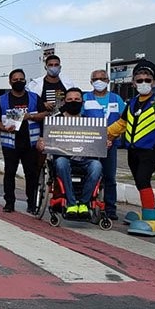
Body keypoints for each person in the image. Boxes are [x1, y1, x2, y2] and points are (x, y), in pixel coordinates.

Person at [107, 60, 155, 236]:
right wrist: (104, 135)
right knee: (138, 180)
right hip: (132, 150)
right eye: (139, 80)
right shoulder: (131, 103)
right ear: (133, 82)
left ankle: (151, 217)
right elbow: (121, 124)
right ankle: (151, 208)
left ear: (153, 82)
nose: (143, 82)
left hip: (151, 149)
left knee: (143, 179)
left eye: (148, 79)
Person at [37, 87, 103, 219]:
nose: (73, 102)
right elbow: (41, 141)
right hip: (63, 159)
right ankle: (72, 203)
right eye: (70, 99)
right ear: (64, 102)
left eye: (77, 99)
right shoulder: (54, 121)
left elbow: (98, 140)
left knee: (97, 166)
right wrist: (41, 144)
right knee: (61, 162)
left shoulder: (89, 122)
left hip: (85, 160)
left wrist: (103, 143)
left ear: (82, 102)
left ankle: (84, 203)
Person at [0, 68, 47, 214]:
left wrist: (32, 117)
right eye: (15, 80)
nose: (18, 82)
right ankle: (9, 203)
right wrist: (3, 128)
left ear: (25, 80)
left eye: (21, 79)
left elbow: (45, 114)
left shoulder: (34, 98)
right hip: (10, 143)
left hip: (31, 143)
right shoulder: (3, 100)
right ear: (10, 82)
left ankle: (31, 203)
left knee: (31, 174)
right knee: (9, 173)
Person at [82, 69, 125, 220]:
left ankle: (110, 208)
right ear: (91, 82)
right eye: (95, 79)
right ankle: (86, 203)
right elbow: (78, 120)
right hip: (90, 144)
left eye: (102, 78)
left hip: (110, 144)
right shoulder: (85, 98)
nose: (99, 81)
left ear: (108, 80)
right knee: (90, 173)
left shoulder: (116, 99)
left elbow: (124, 120)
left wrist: (113, 137)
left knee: (109, 177)